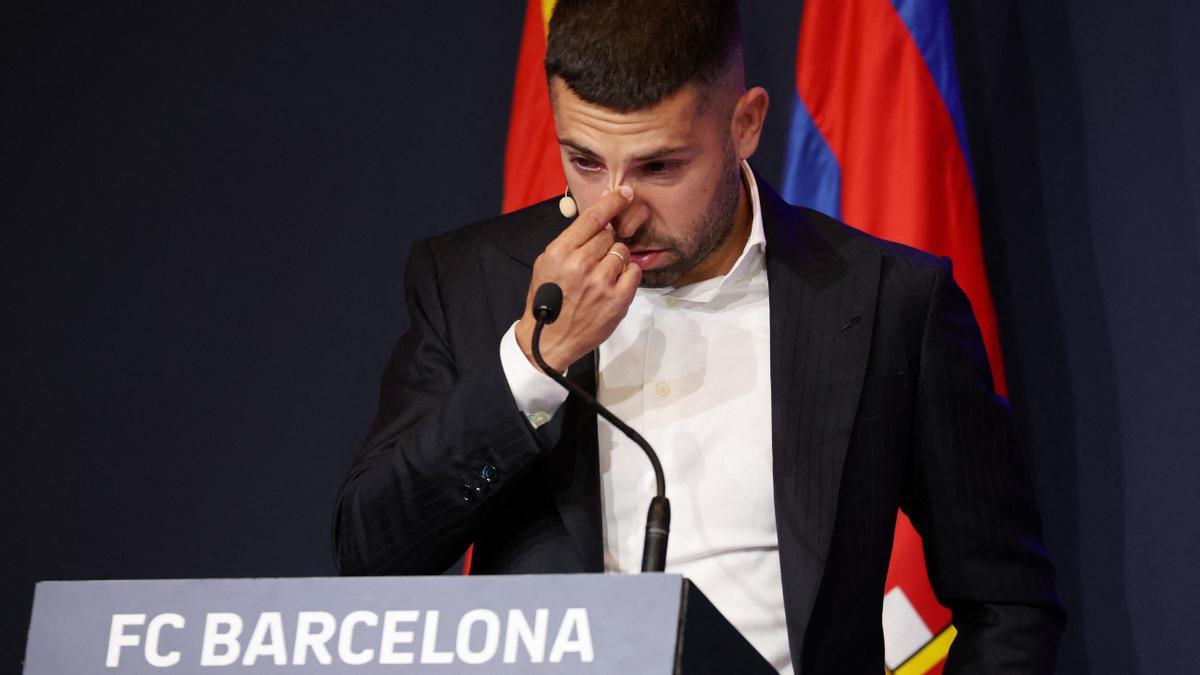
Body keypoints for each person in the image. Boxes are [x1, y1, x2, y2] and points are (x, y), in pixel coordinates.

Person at [333, 0, 1065, 672]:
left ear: (744, 123)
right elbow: (373, 554)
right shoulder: (472, 281)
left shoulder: (888, 300)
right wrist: (534, 361)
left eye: (659, 166)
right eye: (585, 160)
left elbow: (1008, 602)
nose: (617, 208)